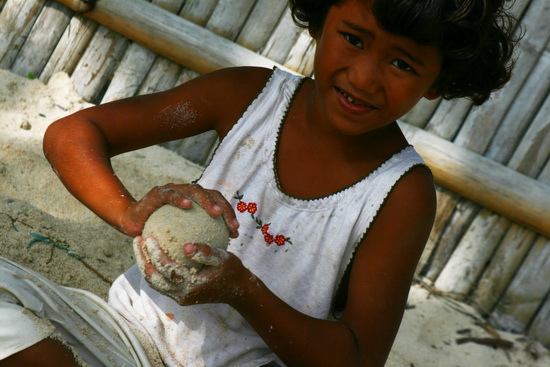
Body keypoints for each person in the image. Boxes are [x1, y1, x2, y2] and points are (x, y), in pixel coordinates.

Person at [1, 0, 517, 366]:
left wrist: (241, 290)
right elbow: (73, 134)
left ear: (439, 81)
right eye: (354, 39)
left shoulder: (399, 194)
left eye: (402, 63)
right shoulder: (247, 97)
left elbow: (357, 357)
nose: (364, 76)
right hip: (115, 337)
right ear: (320, 20)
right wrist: (127, 211)